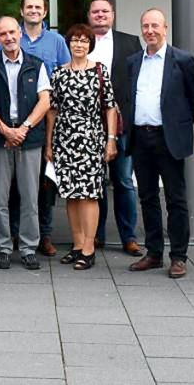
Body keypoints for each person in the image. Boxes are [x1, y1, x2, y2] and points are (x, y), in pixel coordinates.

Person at [123, 8, 194, 279]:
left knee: (176, 199)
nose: (150, 31)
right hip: (140, 137)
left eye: (155, 25)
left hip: (168, 138)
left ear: (165, 28)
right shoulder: (133, 61)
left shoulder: (182, 60)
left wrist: (176, 125)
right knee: (146, 197)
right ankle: (154, 253)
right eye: (145, 26)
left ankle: (178, 256)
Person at [45, 24, 118, 271]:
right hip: (64, 138)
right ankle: (76, 245)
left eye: (84, 41)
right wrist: (49, 144)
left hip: (91, 138)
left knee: (88, 194)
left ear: (90, 45)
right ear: (68, 44)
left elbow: (109, 107)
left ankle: (89, 247)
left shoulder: (99, 71)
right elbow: (52, 110)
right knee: (71, 195)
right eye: (75, 40)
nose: (79, 45)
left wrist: (110, 139)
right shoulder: (58, 74)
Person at [0, 17, 52, 271]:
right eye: (3, 34)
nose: (8, 37)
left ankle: (27, 248)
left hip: (29, 138)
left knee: (29, 197)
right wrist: (4, 130)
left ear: (20, 33)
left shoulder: (36, 64)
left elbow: (44, 101)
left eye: (12, 32)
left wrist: (23, 129)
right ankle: (2, 247)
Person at [86, 0, 144, 256]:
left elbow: (137, 81)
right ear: (89, 16)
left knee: (123, 180)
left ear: (113, 15)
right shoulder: (78, 41)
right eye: (95, 12)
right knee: (94, 182)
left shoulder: (130, 42)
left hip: (120, 123)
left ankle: (128, 236)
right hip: (87, 125)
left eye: (104, 11)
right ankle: (95, 235)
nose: (100, 15)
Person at [20, 0, 72, 255]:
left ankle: (46, 235)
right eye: (29, 7)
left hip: (49, 119)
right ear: (22, 11)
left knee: (45, 180)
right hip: (17, 120)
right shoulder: (11, 37)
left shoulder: (56, 41)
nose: (33, 10)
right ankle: (20, 233)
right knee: (18, 182)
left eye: (38, 7)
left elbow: (65, 72)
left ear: (45, 12)